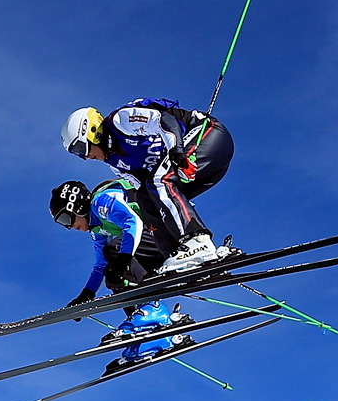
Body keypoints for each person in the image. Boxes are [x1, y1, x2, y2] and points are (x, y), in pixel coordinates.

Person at [62, 99, 235, 272]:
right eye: (76, 154)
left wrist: (177, 152)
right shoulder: (115, 163)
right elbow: (145, 190)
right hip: (194, 166)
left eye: (80, 149)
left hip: (208, 136)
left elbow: (164, 121)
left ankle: (197, 241)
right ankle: (176, 256)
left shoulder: (120, 122)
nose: (84, 157)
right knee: (145, 198)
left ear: (93, 132)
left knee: (160, 180)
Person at [50, 178, 195, 374]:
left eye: (65, 219)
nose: (68, 227)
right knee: (112, 271)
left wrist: (123, 260)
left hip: (165, 239)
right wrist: (86, 296)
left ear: (77, 206)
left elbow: (132, 221)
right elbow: (100, 264)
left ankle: (151, 309)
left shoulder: (102, 201)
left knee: (115, 254)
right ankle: (153, 335)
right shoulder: (97, 228)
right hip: (150, 246)